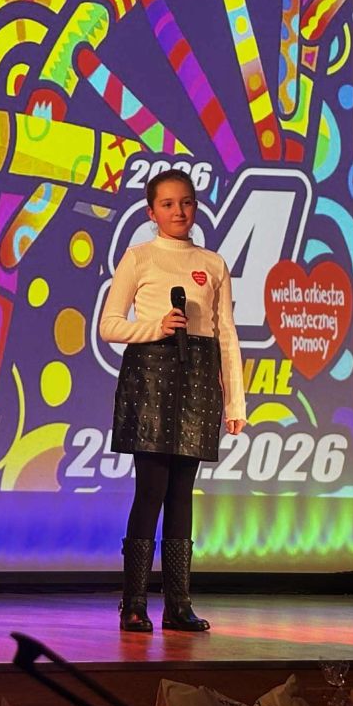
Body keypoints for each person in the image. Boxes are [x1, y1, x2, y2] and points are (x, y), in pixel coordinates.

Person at [99, 169, 247, 633]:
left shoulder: (213, 263)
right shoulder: (139, 257)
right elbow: (108, 325)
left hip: (198, 377)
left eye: (185, 202)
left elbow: (226, 334)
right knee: (151, 490)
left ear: (195, 206)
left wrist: (236, 403)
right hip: (150, 374)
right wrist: (156, 327)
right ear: (152, 211)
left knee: (183, 492)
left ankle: (179, 604)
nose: (178, 211)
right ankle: (134, 603)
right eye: (167, 204)